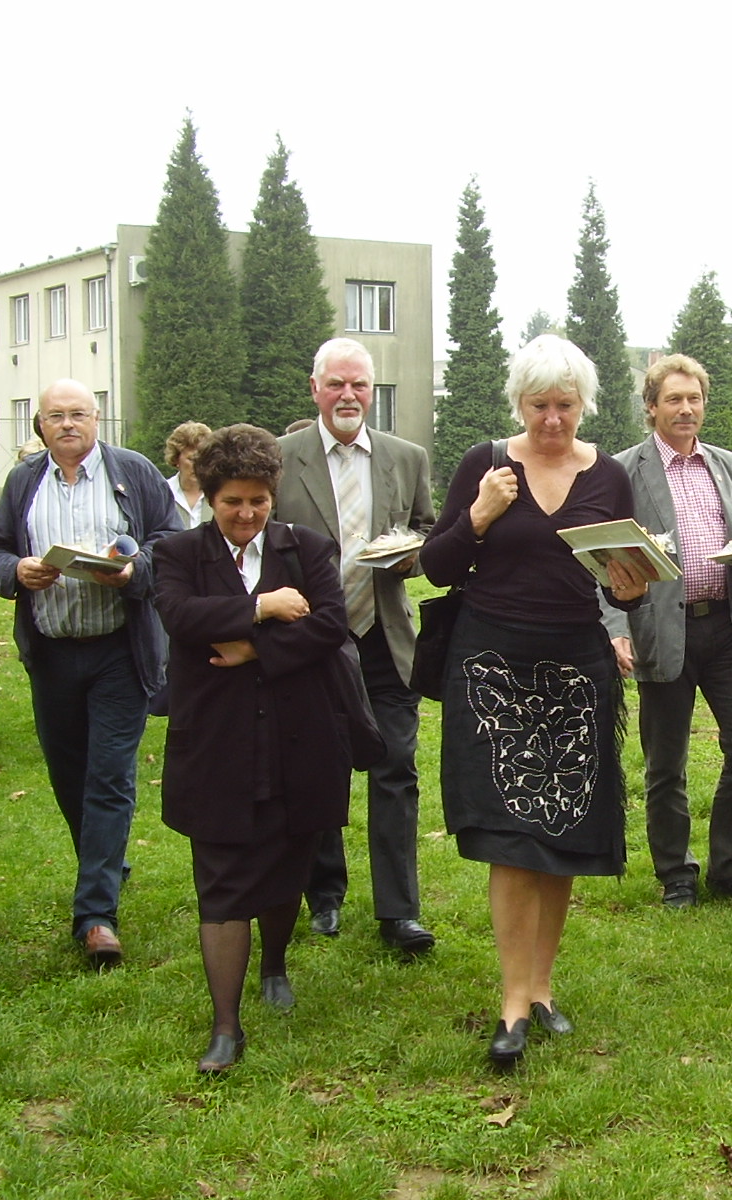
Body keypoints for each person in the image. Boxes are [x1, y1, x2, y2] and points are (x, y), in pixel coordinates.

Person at [419, 334, 651, 1068]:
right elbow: (436, 566)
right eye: (539, 404)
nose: (552, 419)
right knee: (512, 839)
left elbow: (622, 581)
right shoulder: (485, 465)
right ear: (518, 403)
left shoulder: (609, 475)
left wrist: (630, 588)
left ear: (585, 404)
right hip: (493, 665)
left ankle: (543, 988)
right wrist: (478, 515)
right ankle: (513, 999)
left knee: (562, 834)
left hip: (577, 668)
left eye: (565, 405)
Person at [153, 424, 352, 1073]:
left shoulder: (307, 548)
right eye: (232, 502)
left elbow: (330, 625)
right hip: (215, 744)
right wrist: (263, 607)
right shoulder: (178, 553)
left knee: (286, 863)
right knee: (222, 881)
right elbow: (181, 616)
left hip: (299, 740)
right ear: (210, 497)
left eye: (258, 501)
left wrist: (253, 650)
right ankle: (226, 1026)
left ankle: (274, 964)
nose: (246, 514)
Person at [0, 380, 179, 966]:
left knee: (109, 776)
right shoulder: (24, 481)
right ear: (40, 425)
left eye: (78, 414)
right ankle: (106, 862)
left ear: (97, 419)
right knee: (70, 777)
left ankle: (96, 915)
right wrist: (17, 570)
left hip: (119, 650)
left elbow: (171, 544)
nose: (67, 425)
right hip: (52, 652)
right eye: (55, 416)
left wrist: (132, 571)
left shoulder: (133, 472)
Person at [275, 338, 437, 953]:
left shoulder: (406, 457)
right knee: (318, 768)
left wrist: (410, 553)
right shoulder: (282, 457)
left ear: (372, 391)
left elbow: (425, 528)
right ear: (315, 389)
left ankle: (399, 911)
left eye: (359, 385)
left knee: (396, 768)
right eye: (337, 384)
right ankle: (324, 894)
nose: (348, 396)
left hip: (384, 638)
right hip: (311, 641)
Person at [603, 353, 732, 909]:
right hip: (659, 629)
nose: (686, 408)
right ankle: (675, 872)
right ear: (651, 407)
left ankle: (730, 864)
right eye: (674, 399)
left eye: (694, 398)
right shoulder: (622, 471)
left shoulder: (727, 465)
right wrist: (616, 627)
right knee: (665, 761)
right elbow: (603, 560)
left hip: (726, 626)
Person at [163, 421, 213, 530]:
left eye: (203, 459)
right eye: (191, 459)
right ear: (176, 459)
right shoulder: (162, 493)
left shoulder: (218, 494)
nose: (198, 465)